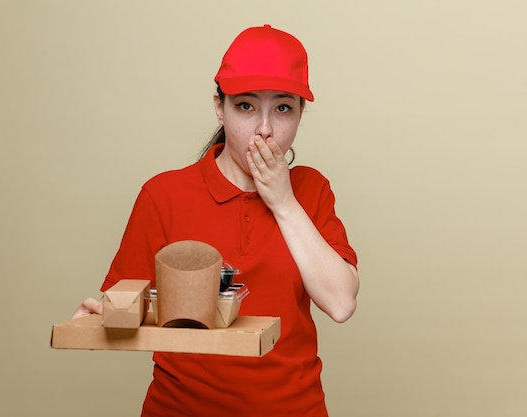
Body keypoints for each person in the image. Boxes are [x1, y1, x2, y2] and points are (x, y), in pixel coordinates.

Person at [73, 24, 359, 417]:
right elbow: (126, 308)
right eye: (245, 106)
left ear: (299, 114)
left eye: (282, 108)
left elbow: (341, 303)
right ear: (218, 107)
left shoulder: (312, 190)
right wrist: (100, 318)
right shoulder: (164, 195)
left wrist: (283, 201)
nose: (264, 128)